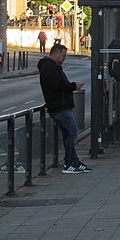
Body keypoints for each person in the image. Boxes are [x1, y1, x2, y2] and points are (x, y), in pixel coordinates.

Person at [38, 44, 91, 174]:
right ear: (56, 54)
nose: (64, 58)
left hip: (60, 105)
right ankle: (69, 162)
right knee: (73, 132)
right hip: (60, 106)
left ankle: (74, 160)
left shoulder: (52, 67)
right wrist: (74, 86)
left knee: (69, 133)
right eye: (63, 55)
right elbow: (57, 85)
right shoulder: (50, 67)